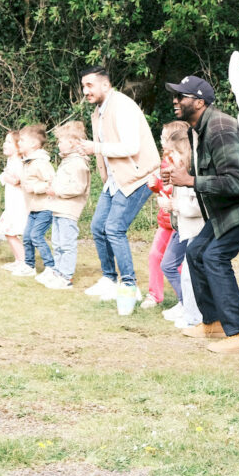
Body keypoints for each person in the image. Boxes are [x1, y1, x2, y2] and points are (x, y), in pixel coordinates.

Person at [163, 74, 239, 354]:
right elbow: (214, 172)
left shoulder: (219, 128)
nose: (175, 100)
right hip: (228, 207)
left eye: (181, 96)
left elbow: (236, 183)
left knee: (214, 256)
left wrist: (190, 181)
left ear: (199, 101)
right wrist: (182, 174)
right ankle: (215, 322)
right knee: (196, 252)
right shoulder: (198, 129)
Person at [78, 66, 160, 304]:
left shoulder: (122, 106)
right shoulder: (99, 112)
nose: (85, 91)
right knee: (97, 227)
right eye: (83, 86)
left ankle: (129, 285)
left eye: (90, 85)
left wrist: (96, 148)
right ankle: (109, 279)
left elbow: (131, 147)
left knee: (114, 228)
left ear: (105, 84)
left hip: (138, 176)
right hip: (116, 179)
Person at [157, 121, 203, 327]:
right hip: (182, 228)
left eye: (173, 152)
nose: (169, 157)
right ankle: (188, 309)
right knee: (180, 271)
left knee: (190, 275)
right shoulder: (177, 171)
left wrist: (174, 205)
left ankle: (194, 314)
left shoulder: (193, 176)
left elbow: (198, 207)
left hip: (193, 230)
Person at [43, 121, 91, 290]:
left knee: (66, 243)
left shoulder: (78, 163)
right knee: (57, 242)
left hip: (68, 210)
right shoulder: (68, 161)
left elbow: (78, 187)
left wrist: (57, 191)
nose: (58, 144)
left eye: (61, 141)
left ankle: (66, 276)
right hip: (59, 208)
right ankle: (57, 271)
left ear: (73, 142)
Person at [11, 124, 56, 279]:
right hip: (33, 208)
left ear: (34, 144)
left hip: (45, 207)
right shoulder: (28, 162)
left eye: (22, 140)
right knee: (27, 236)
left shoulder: (41, 163)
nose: (19, 142)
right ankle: (29, 266)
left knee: (36, 236)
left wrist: (35, 188)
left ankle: (51, 267)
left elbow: (52, 183)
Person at [141, 163, 174, 309]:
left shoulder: (185, 155)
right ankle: (154, 295)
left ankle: (185, 298)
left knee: (176, 264)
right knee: (154, 255)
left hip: (180, 223)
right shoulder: (167, 157)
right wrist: (154, 185)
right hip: (165, 222)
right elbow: (162, 186)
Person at [0, 130, 28, 272]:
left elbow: (20, 181)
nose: (4, 144)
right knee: (8, 232)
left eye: (9, 142)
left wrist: (9, 178)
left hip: (18, 204)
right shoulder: (11, 161)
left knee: (11, 232)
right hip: (11, 203)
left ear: (18, 146)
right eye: (5, 141)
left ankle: (24, 261)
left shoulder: (19, 162)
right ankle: (18, 259)